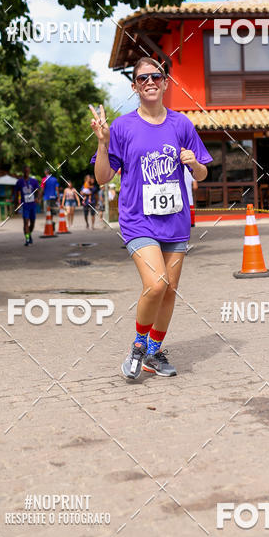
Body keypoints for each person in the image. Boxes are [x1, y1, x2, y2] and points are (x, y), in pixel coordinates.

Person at [90, 56, 211, 380]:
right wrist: (103, 144)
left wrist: (193, 165)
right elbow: (103, 177)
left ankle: (154, 353)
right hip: (138, 220)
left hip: (175, 221)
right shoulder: (122, 127)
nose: (150, 82)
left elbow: (203, 170)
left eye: (156, 77)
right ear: (134, 87)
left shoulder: (181, 125)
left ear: (165, 82)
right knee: (156, 284)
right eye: (143, 79)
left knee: (170, 290)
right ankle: (138, 347)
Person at [13, 166, 41, 246]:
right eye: (25, 171)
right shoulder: (19, 182)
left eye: (27, 171)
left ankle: (29, 234)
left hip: (32, 205)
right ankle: (27, 239)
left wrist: (38, 198)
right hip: (24, 205)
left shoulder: (33, 181)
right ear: (23, 172)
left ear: (29, 171)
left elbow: (39, 190)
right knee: (26, 222)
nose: (26, 172)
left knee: (32, 223)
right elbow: (16, 194)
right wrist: (16, 206)